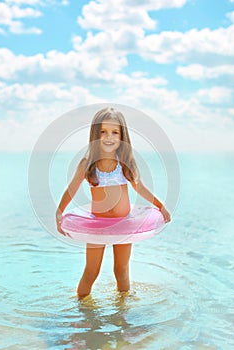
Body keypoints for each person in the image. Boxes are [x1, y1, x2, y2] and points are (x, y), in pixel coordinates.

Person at [56, 107, 171, 299]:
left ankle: (122, 310)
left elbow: (140, 188)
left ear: (122, 136)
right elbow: (72, 187)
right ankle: (82, 308)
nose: (109, 137)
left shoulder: (125, 162)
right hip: (97, 226)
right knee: (92, 271)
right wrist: (59, 211)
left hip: (124, 224)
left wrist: (161, 206)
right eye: (103, 132)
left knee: (121, 269)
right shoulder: (87, 163)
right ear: (95, 134)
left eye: (114, 132)